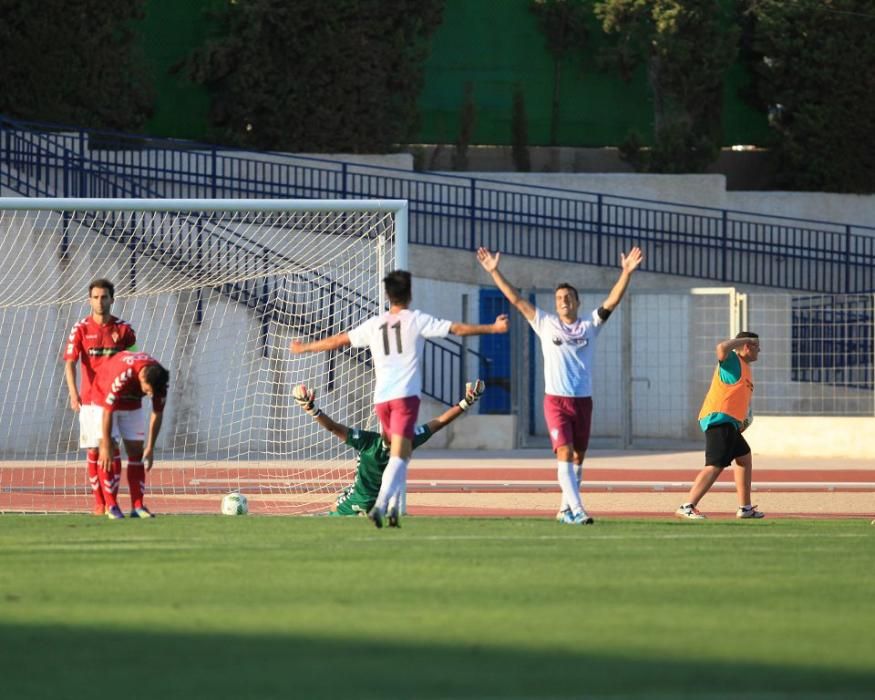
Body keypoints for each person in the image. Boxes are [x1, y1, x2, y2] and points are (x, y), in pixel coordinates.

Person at [291, 269, 508, 528]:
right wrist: (493, 328)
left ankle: (391, 506)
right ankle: (382, 506)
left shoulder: (374, 324)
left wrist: (304, 347)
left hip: (381, 400)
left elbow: (338, 341)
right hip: (405, 397)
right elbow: (458, 329)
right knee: (399, 454)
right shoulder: (416, 320)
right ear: (410, 294)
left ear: (387, 295)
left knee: (400, 451)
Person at [477, 245, 644, 525]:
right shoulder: (545, 323)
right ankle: (578, 510)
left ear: (577, 302)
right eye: (559, 298)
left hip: (583, 400)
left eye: (568, 297)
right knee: (564, 452)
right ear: (555, 304)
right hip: (556, 400)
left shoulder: (590, 324)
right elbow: (517, 300)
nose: (564, 300)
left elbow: (612, 301)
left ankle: (565, 508)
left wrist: (626, 272)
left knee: (578, 458)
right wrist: (495, 272)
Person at [293, 380, 486, 517]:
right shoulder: (408, 440)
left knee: (333, 509)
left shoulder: (369, 441)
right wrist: (466, 402)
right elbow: (438, 423)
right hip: (384, 502)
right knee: (340, 497)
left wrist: (311, 409)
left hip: (359, 501)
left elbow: (333, 427)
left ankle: (356, 515)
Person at [63, 279, 137, 516]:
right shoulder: (81, 329)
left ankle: (112, 503)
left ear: (112, 299)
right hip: (90, 400)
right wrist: (74, 393)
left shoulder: (124, 330)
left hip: (115, 401)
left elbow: (134, 362)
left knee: (112, 447)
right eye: (95, 297)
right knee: (94, 450)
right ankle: (100, 502)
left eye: (104, 297)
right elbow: (69, 363)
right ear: (89, 300)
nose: (100, 301)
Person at [675, 332, 763, 520]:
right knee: (715, 465)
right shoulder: (733, 360)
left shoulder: (746, 368)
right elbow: (721, 348)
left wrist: (741, 421)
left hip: (730, 423)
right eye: (756, 346)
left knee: (744, 457)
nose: (759, 350)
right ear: (747, 346)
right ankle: (687, 506)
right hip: (718, 420)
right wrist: (744, 340)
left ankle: (745, 508)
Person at [91, 350, 170, 519]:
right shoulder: (123, 375)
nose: (151, 395)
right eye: (148, 391)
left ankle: (138, 506)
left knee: (136, 450)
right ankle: (111, 506)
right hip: (102, 399)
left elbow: (157, 413)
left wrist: (150, 447)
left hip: (132, 401)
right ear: (142, 378)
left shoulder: (159, 383)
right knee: (109, 449)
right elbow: (107, 412)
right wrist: (104, 445)